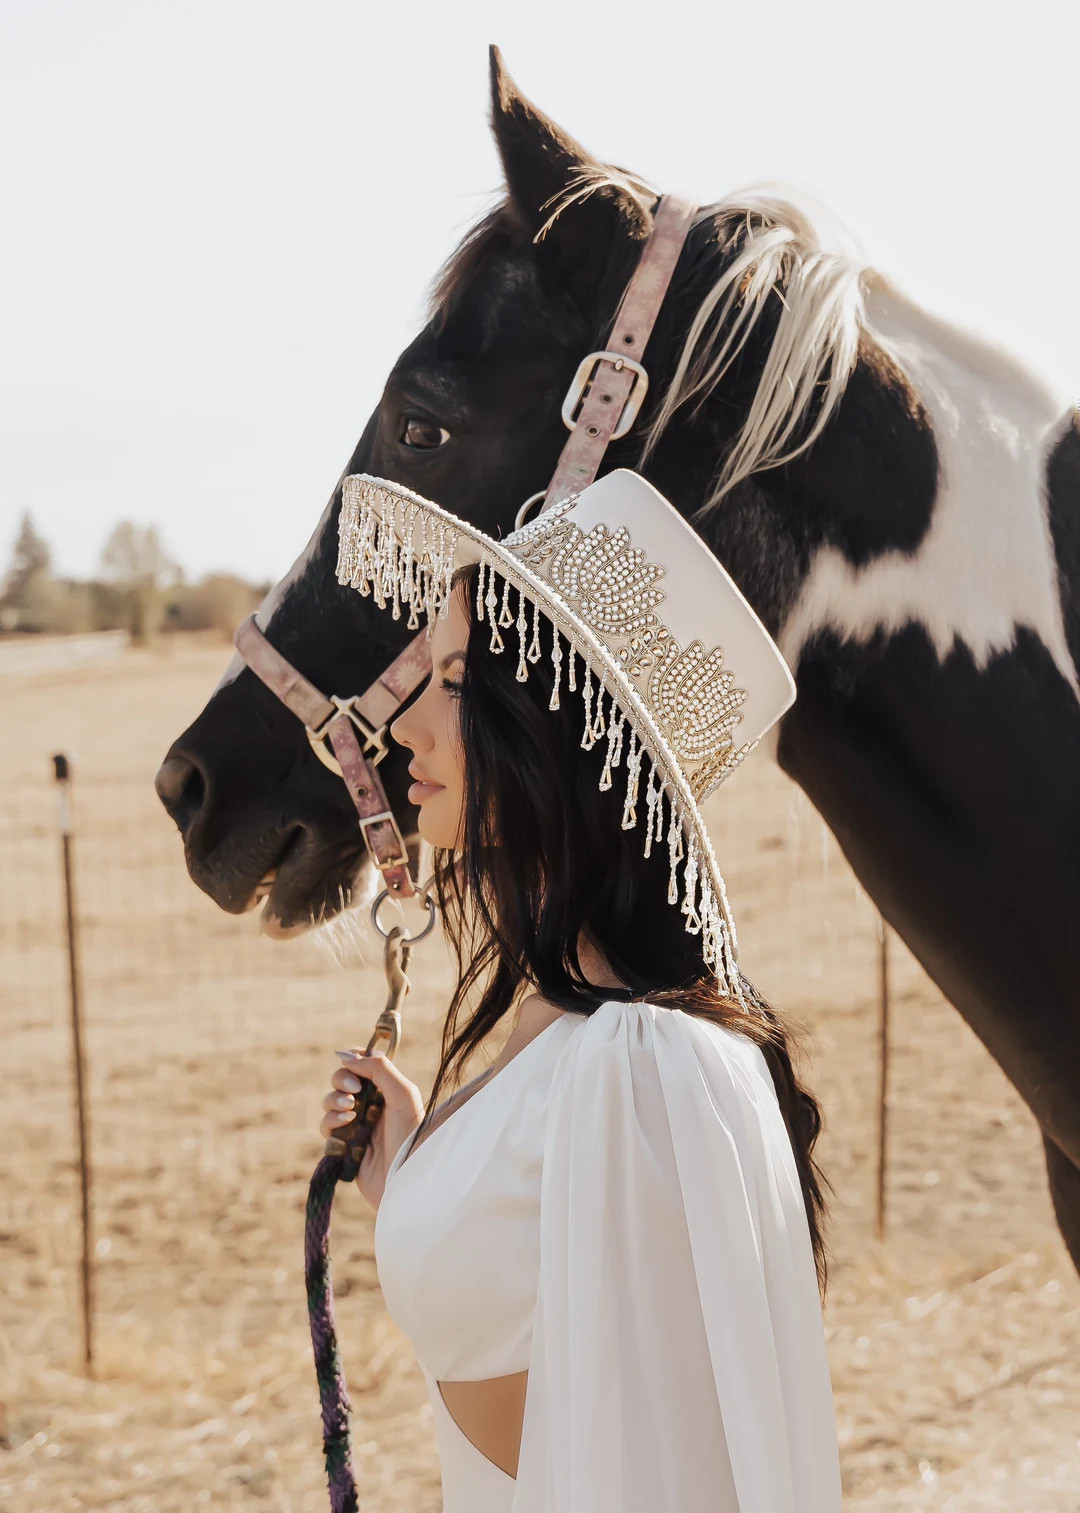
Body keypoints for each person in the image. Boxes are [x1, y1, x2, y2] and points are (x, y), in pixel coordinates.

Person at [318, 468, 845, 1512]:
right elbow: (540, 1347)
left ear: (557, 730)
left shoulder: (642, 1069)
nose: (408, 726)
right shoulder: (571, 1045)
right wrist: (425, 1172)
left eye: (458, 680)